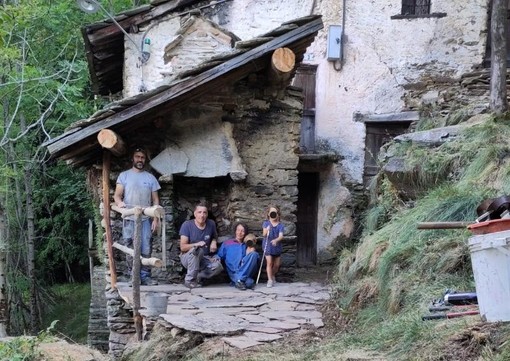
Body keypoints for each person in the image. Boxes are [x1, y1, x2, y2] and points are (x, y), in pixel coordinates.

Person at [114, 147, 161, 286]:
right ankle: (133, 277)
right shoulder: (124, 175)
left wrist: (156, 219)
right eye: (137, 157)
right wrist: (120, 203)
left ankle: (146, 277)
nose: (140, 160)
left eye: (142, 157)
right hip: (129, 218)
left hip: (146, 218)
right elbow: (117, 196)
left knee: (146, 247)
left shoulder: (150, 177)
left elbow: (156, 201)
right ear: (132, 158)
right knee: (130, 247)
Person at [179, 203, 223, 288]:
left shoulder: (211, 224)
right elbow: (183, 247)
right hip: (187, 258)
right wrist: (196, 244)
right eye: (199, 212)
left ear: (207, 214)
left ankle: (199, 276)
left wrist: (213, 242)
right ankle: (189, 280)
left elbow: (214, 237)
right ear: (195, 214)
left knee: (218, 266)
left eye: (204, 212)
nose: (202, 215)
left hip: (204, 258)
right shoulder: (187, 225)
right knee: (197, 250)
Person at [215, 224, 260, 290]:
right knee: (249, 282)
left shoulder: (247, 244)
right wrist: (215, 258)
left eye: (242, 231)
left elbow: (254, 262)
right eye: (238, 230)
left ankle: (239, 280)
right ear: (235, 231)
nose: (240, 233)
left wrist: (251, 248)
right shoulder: (227, 243)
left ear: (245, 233)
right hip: (234, 272)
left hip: (246, 271)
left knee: (254, 254)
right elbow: (219, 255)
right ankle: (240, 280)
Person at [262, 205, 284, 288]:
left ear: (278, 214)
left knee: (277, 265)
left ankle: (272, 275)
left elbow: (281, 236)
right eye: (272, 212)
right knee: (270, 262)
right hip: (268, 245)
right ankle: (270, 280)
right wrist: (267, 229)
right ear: (269, 214)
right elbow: (264, 234)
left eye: (275, 213)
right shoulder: (266, 223)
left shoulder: (280, 225)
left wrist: (276, 240)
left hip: (277, 246)